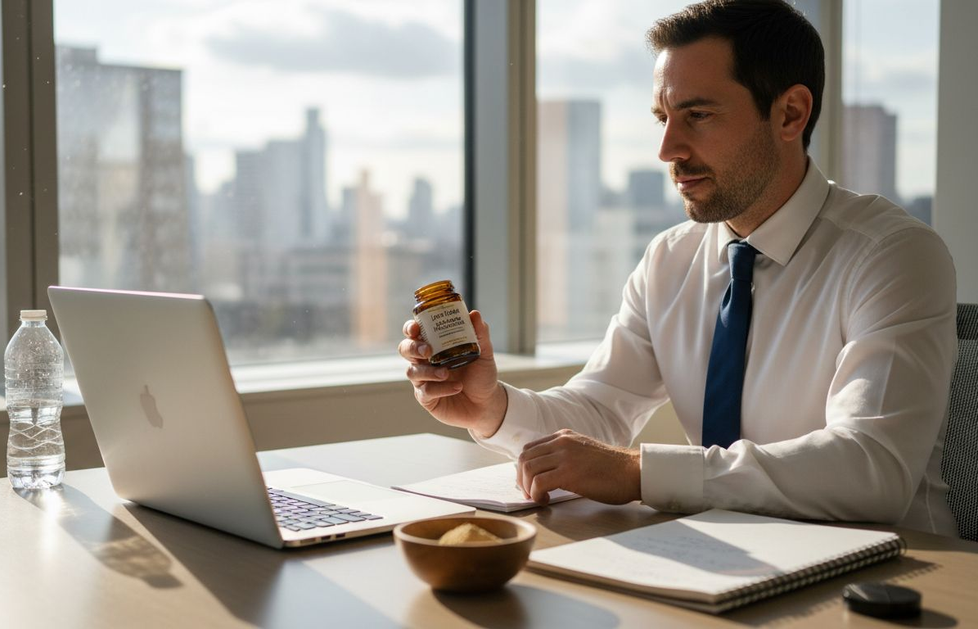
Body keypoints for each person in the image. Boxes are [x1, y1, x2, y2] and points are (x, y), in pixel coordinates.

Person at [398, 0, 958, 536]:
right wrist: (491, 408)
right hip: (728, 556)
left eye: (698, 115)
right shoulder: (670, 258)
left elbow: (870, 467)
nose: (668, 149)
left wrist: (640, 473)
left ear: (790, 114)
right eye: (663, 117)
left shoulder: (893, 255)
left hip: (895, 575)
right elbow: (599, 411)